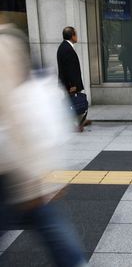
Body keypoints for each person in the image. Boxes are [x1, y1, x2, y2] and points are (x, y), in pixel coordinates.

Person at [0, 14, 87, 267]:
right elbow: (17, 115)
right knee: (48, 222)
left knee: (47, 221)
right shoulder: (7, 44)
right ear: (71, 35)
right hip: (15, 169)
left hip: (13, 168)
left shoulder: (7, 40)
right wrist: (37, 176)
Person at [57, 26, 91, 132]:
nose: (77, 36)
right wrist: (72, 85)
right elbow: (69, 69)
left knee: (75, 102)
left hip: (70, 82)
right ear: (72, 36)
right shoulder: (67, 49)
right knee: (73, 103)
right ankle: (73, 125)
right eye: (76, 34)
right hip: (70, 83)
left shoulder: (65, 46)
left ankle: (80, 121)